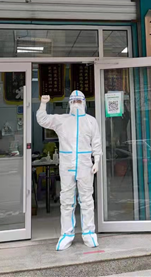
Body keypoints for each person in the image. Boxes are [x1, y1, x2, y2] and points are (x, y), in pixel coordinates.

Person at [37, 90, 102, 251]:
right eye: (73, 101)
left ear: (84, 103)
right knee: (66, 200)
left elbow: (96, 142)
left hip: (85, 165)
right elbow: (43, 119)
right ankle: (67, 234)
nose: (76, 104)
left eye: (79, 101)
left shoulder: (91, 121)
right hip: (67, 166)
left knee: (87, 200)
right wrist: (43, 104)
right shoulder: (62, 120)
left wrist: (97, 160)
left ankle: (89, 233)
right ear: (70, 104)